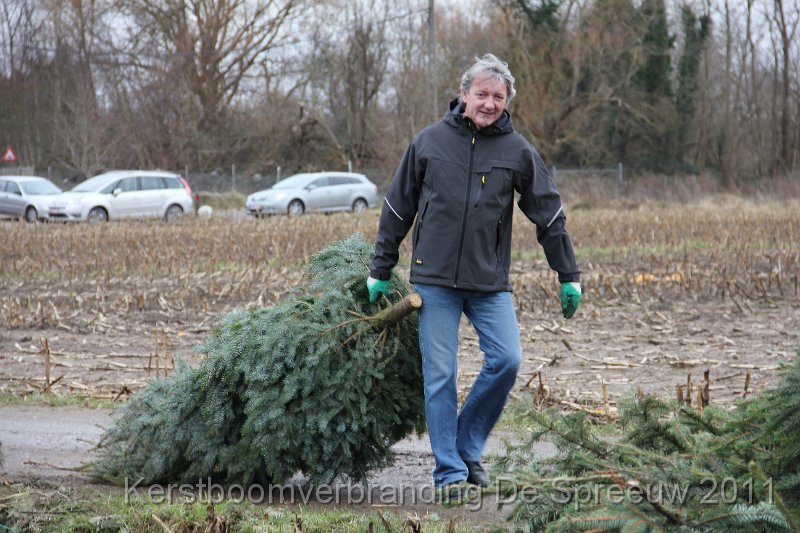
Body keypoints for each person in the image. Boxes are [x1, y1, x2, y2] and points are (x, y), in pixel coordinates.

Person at [366, 53, 581, 489]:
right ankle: (449, 472)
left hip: (488, 282)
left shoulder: (518, 151)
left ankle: (467, 446)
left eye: (497, 96)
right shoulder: (428, 142)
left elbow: (549, 215)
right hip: (434, 280)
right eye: (481, 94)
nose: (489, 103)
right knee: (441, 374)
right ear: (464, 94)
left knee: (507, 360)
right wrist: (381, 267)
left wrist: (568, 274)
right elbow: (396, 206)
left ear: (506, 101)